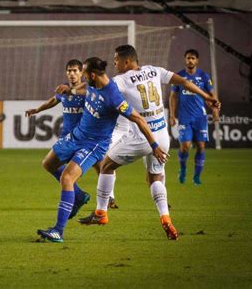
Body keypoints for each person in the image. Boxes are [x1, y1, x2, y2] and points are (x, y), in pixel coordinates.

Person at [78, 45, 220, 241]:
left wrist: (71, 89)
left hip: (142, 138)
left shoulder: (121, 80)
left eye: (116, 60)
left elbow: (99, 85)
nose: (114, 63)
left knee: (106, 166)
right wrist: (207, 97)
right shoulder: (155, 71)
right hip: (162, 136)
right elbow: (184, 82)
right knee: (155, 178)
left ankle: (100, 213)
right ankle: (166, 219)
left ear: (127, 61)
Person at [37, 57, 168, 243]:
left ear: (91, 75)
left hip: (93, 144)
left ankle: (58, 231)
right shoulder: (92, 84)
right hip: (76, 135)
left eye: (83, 72)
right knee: (48, 163)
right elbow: (83, 89)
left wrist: (154, 146)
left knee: (67, 177)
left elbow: (138, 119)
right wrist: (71, 89)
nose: (80, 76)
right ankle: (79, 195)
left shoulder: (113, 96)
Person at [26, 59, 90, 219]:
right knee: (50, 165)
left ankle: (104, 198)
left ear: (82, 73)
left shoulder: (87, 91)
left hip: (84, 139)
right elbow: (53, 101)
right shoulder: (63, 90)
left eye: (75, 70)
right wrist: (37, 109)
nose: (72, 73)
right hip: (67, 138)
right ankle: (79, 195)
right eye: (69, 71)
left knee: (99, 168)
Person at [169, 49, 219, 185]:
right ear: (185, 60)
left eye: (193, 58)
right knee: (185, 146)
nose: (190, 60)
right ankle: (183, 169)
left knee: (201, 146)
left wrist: (215, 111)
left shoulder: (204, 76)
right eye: (188, 58)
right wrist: (172, 115)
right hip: (184, 117)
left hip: (200, 117)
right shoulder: (178, 76)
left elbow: (212, 95)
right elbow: (173, 96)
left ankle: (197, 177)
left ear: (197, 61)